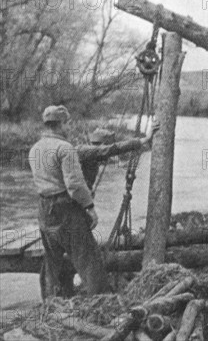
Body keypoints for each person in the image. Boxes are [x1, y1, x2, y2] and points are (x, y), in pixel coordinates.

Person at [28, 105, 109, 298]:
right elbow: (74, 185)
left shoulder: (35, 149)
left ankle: (49, 303)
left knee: (52, 261)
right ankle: (100, 301)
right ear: (61, 123)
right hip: (65, 208)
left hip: (44, 209)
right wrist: (89, 207)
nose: (69, 127)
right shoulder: (65, 148)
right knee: (88, 258)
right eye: (67, 123)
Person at [77, 125, 159, 191]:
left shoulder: (90, 154)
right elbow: (115, 149)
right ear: (103, 145)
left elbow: (114, 158)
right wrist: (145, 139)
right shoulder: (88, 151)